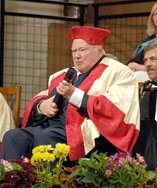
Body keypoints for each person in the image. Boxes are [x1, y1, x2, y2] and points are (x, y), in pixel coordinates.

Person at [0, 26, 140, 164]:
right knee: (13, 136)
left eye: (82, 50)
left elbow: (115, 109)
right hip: (53, 126)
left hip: (85, 130)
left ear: (99, 50)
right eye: (74, 51)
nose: (76, 55)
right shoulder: (63, 74)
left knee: (46, 138)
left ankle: (46, 183)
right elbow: (42, 96)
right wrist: (41, 106)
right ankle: (14, 182)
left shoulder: (118, 72)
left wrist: (74, 95)